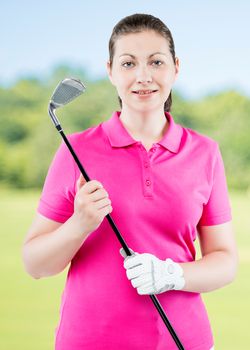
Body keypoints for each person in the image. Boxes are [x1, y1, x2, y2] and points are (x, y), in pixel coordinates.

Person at [22, 13, 238, 350]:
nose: (143, 76)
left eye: (156, 62)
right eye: (128, 63)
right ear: (110, 70)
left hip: (183, 341)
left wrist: (173, 275)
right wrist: (79, 224)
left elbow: (225, 261)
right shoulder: (76, 150)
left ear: (176, 67)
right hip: (89, 342)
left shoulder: (205, 153)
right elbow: (35, 264)